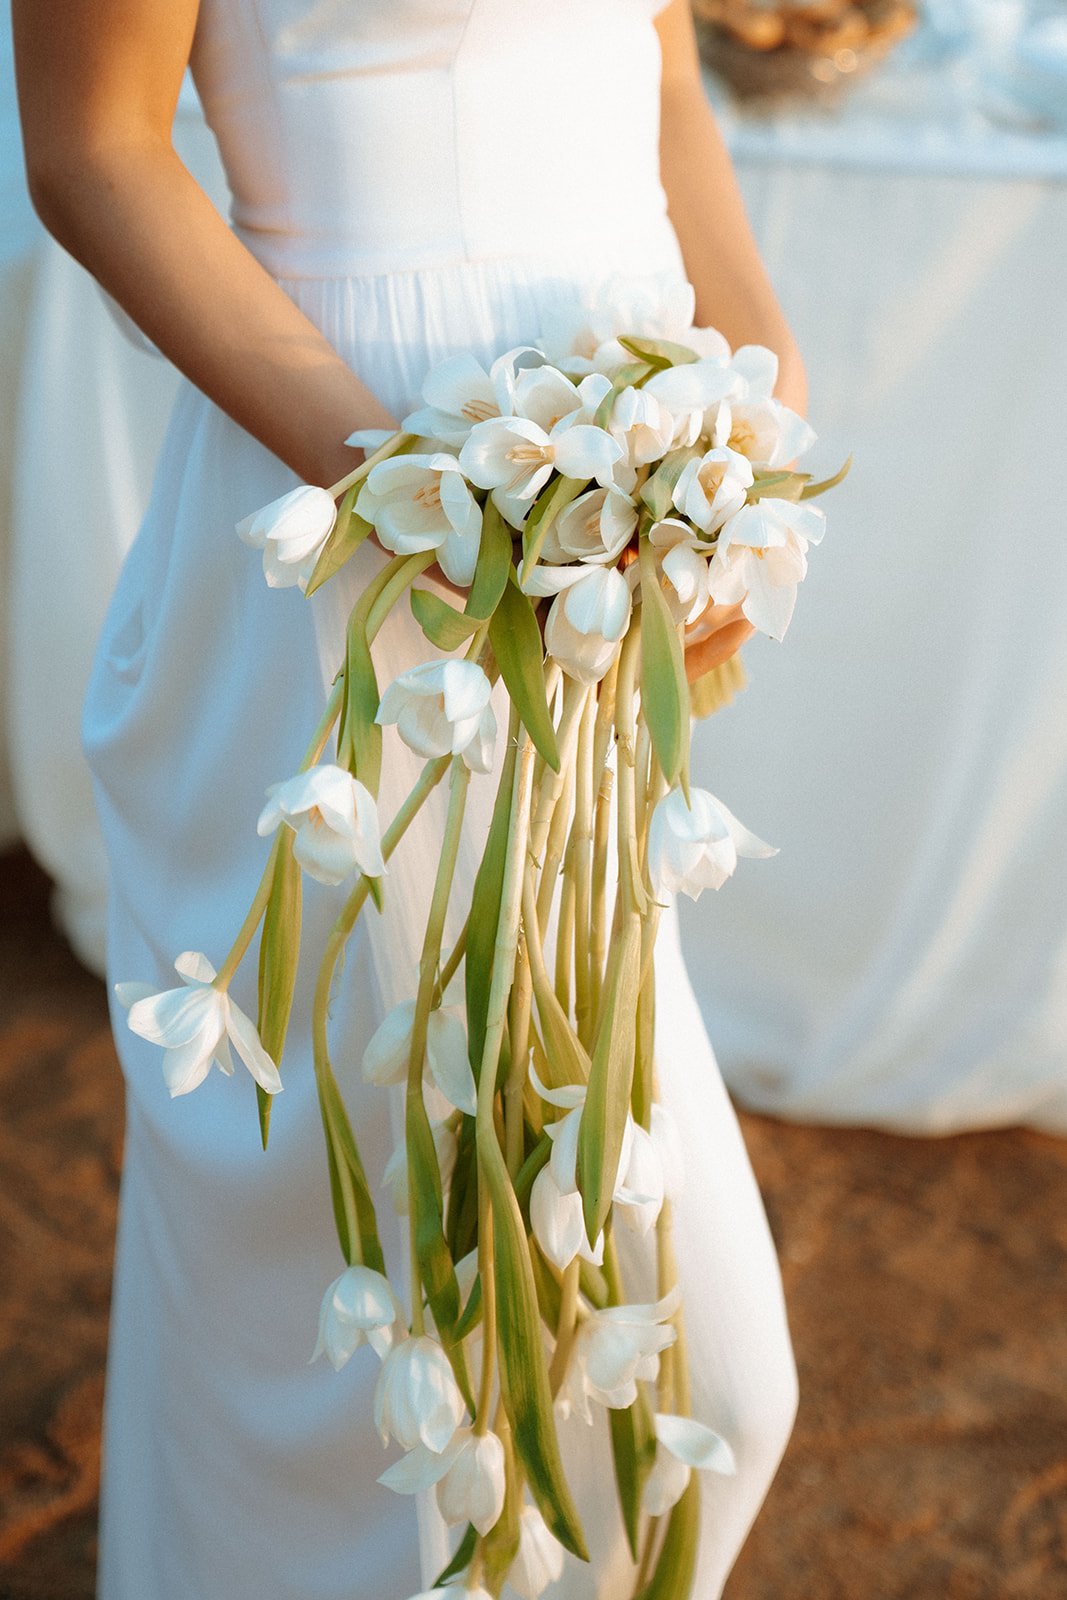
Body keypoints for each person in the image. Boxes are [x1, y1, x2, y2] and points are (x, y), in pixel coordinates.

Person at [13, 2, 805, 1596]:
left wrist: (758, 402)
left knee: (660, 1353)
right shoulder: (400, 493)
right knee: (369, 1304)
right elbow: (93, 150)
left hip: (597, 522)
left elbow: (655, 62)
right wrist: (417, 486)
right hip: (352, 536)